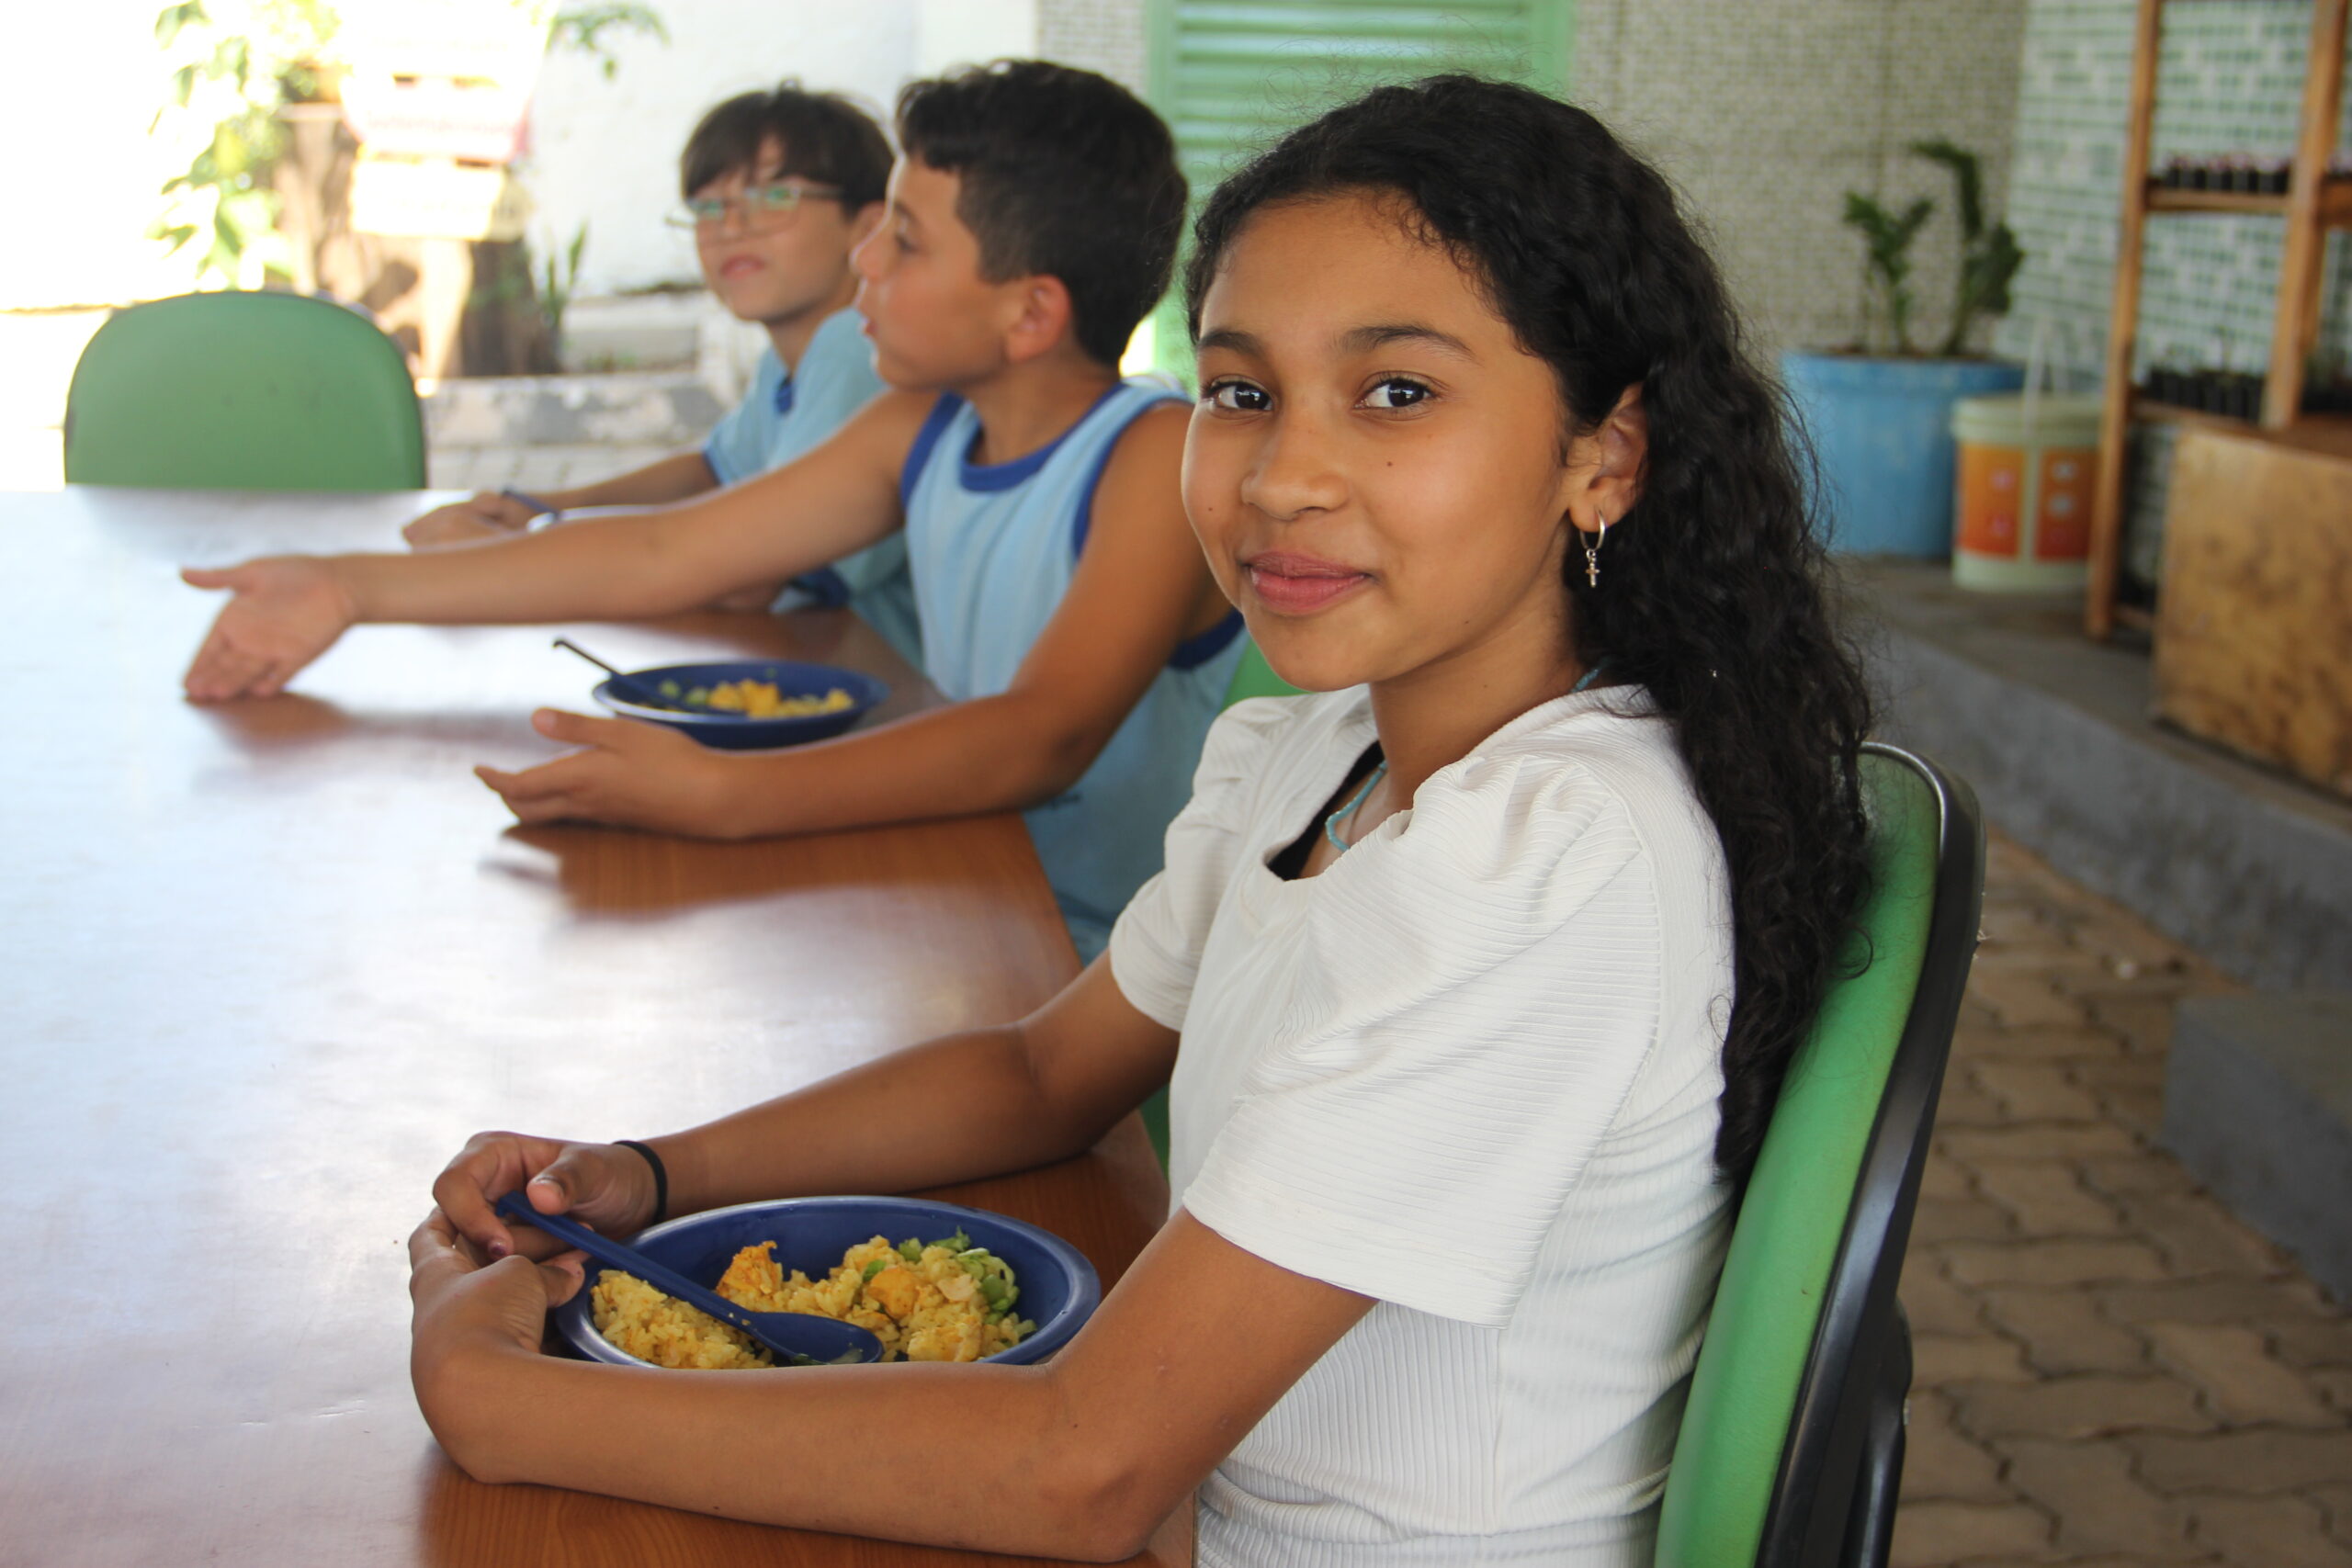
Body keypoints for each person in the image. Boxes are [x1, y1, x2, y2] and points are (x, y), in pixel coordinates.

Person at [406, 73, 1880, 1564]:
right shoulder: (1318, 752)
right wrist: (646, 1176)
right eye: (1241, 391)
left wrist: (493, 1398)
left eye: (1398, 392)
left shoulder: (1547, 856)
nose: (1287, 475)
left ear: (1603, 457)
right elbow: (1046, 1068)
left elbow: (1079, 1466)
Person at [180, 61, 1241, 962]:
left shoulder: (1150, 455)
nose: (864, 263)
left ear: (1029, 312)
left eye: (904, 242)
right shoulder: (923, 427)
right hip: (956, 881)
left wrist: (724, 796)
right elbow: (663, 552)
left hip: (1105, 960)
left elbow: (1037, 736)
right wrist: (348, 586)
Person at [402, 84, 919, 657]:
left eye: (773, 197)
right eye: (708, 206)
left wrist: (521, 543)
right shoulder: (790, 359)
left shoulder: (855, 349)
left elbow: (748, 580)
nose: (731, 225)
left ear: (869, 225)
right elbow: (711, 473)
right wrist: (550, 506)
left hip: (890, 687)